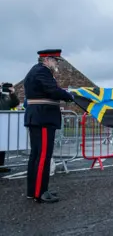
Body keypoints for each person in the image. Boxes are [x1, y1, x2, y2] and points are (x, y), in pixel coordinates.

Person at [24, 49, 74, 203]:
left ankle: (34, 190)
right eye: (55, 60)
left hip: (38, 116)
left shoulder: (36, 71)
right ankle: (40, 192)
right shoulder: (42, 71)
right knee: (43, 156)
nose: (57, 63)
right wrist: (69, 96)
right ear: (47, 59)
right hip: (43, 117)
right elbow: (52, 91)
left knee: (36, 155)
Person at [0, 82, 20, 173]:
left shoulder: (4, 97)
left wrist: (12, 93)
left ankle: (0, 165)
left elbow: (15, 103)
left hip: (3, 125)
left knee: (2, 146)